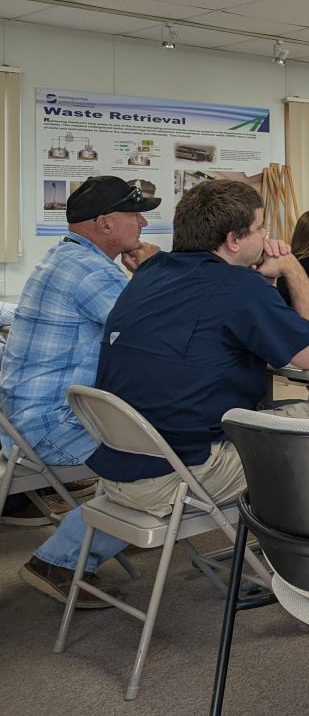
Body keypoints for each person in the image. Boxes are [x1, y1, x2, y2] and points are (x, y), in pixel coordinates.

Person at [88, 180, 309, 520]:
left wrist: (263, 290)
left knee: (273, 413)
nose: (266, 238)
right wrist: (292, 266)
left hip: (120, 466)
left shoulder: (151, 272)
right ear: (234, 240)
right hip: (182, 474)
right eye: (261, 229)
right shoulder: (237, 285)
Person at [1, 177, 160, 607]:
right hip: (49, 426)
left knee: (156, 444)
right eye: (134, 214)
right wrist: (157, 272)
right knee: (166, 463)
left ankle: (90, 535)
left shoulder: (66, 258)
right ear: (106, 224)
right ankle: (60, 561)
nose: (143, 222)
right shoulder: (89, 272)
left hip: (25, 420)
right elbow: (159, 332)